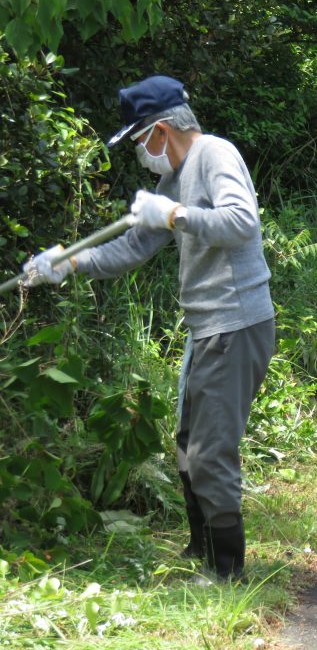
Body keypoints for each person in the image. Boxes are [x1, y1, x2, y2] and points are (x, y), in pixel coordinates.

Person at [22, 75, 275, 580]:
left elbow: (241, 222)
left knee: (210, 453)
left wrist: (177, 214)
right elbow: (132, 247)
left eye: (138, 140)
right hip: (206, 328)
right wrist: (68, 263)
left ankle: (227, 571)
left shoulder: (214, 155)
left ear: (160, 130)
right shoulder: (172, 181)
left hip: (236, 322)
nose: (140, 153)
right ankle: (201, 548)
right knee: (188, 446)